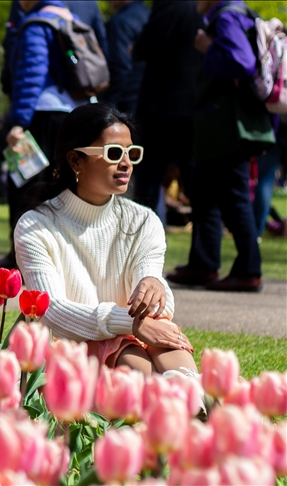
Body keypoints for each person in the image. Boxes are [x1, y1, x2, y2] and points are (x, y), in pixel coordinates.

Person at [16, 103, 198, 377]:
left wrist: (153, 285)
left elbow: (157, 304)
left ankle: (193, 391)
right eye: (114, 153)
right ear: (76, 160)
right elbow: (51, 311)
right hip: (68, 349)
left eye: (131, 153)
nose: (126, 163)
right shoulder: (36, 226)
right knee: (128, 350)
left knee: (163, 336)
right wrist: (130, 323)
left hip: (131, 337)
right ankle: (183, 396)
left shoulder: (143, 221)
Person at [166, 0, 275, 293]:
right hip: (220, 125)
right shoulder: (234, 15)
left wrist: (207, 48)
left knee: (235, 197)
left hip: (227, 126)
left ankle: (249, 270)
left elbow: (242, 62)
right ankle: (203, 263)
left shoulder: (226, 18)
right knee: (205, 196)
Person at [0, 0, 89, 271]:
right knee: (64, 187)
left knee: (25, 185)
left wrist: (18, 123)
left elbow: (31, 76)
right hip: (74, 112)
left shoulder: (36, 24)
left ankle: (21, 256)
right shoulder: (69, 18)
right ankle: (62, 257)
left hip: (40, 114)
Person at [131, 0, 203, 224]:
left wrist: (137, 46)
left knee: (149, 181)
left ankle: (143, 240)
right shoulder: (205, 5)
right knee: (196, 183)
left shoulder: (170, 5)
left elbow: (144, 45)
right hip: (196, 103)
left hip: (162, 106)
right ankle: (205, 257)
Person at [101, 0, 149, 115]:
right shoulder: (149, 14)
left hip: (126, 103)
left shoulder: (120, 22)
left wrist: (109, 107)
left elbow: (120, 67)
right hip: (149, 98)